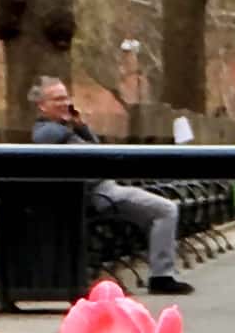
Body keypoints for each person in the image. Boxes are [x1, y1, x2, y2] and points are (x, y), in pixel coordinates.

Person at [30, 78, 190, 293]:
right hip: (98, 194)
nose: (65, 103)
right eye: (57, 99)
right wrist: (78, 131)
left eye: (66, 97)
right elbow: (97, 156)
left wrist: (81, 127)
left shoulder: (60, 130)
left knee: (160, 209)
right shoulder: (50, 132)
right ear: (42, 105)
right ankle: (162, 276)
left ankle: (160, 271)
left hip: (95, 190)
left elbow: (96, 152)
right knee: (165, 209)